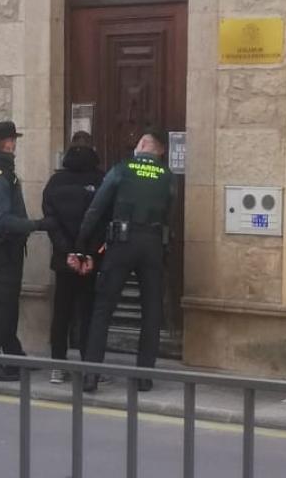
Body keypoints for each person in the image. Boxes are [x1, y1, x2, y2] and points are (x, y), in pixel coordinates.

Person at [76, 127, 174, 392]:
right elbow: (170, 215)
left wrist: (82, 242)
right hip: (152, 245)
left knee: (103, 309)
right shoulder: (167, 175)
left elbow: (97, 207)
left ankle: (91, 375)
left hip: (121, 243)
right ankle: (143, 377)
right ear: (160, 151)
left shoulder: (122, 169)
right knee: (151, 312)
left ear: (142, 144)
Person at [0, 120, 53, 381]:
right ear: (0, 143)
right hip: (4, 247)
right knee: (1, 308)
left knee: (8, 306)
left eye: (14, 140)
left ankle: (13, 355)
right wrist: (36, 225)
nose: (13, 145)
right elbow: (2, 219)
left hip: (6, 247)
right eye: (9, 141)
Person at [41, 134, 103, 384]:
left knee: (62, 312)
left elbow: (51, 221)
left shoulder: (55, 181)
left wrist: (67, 251)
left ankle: (58, 364)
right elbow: (104, 220)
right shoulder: (101, 180)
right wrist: (89, 253)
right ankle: (89, 366)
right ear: (93, 149)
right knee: (88, 312)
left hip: (64, 259)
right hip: (89, 261)